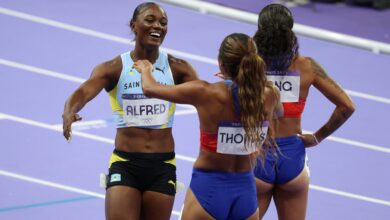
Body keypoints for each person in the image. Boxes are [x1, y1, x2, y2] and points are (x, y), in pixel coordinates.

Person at [62, 2, 198, 220]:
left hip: (162, 166)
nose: (158, 26)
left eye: (163, 23)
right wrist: (69, 110)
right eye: (150, 20)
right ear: (134, 25)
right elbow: (84, 91)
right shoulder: (114, 68)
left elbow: (207, 98)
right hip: (125, 164)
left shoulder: (178, 68)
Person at [133, 33, 281, 220]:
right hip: (246, 195)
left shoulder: (205, 92)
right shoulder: (270, 95)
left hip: (209, 189)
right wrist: (244, 84)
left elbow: (150, 88)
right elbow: (279, 112)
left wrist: (146, 69)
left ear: (221, 64)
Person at [252, 4, 355, 220]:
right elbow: (347, 106)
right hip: (293, 157)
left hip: (257, 154)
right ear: (290, 31)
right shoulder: (307, 67)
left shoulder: (247, 65)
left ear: (260, 31)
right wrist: (317, 137)